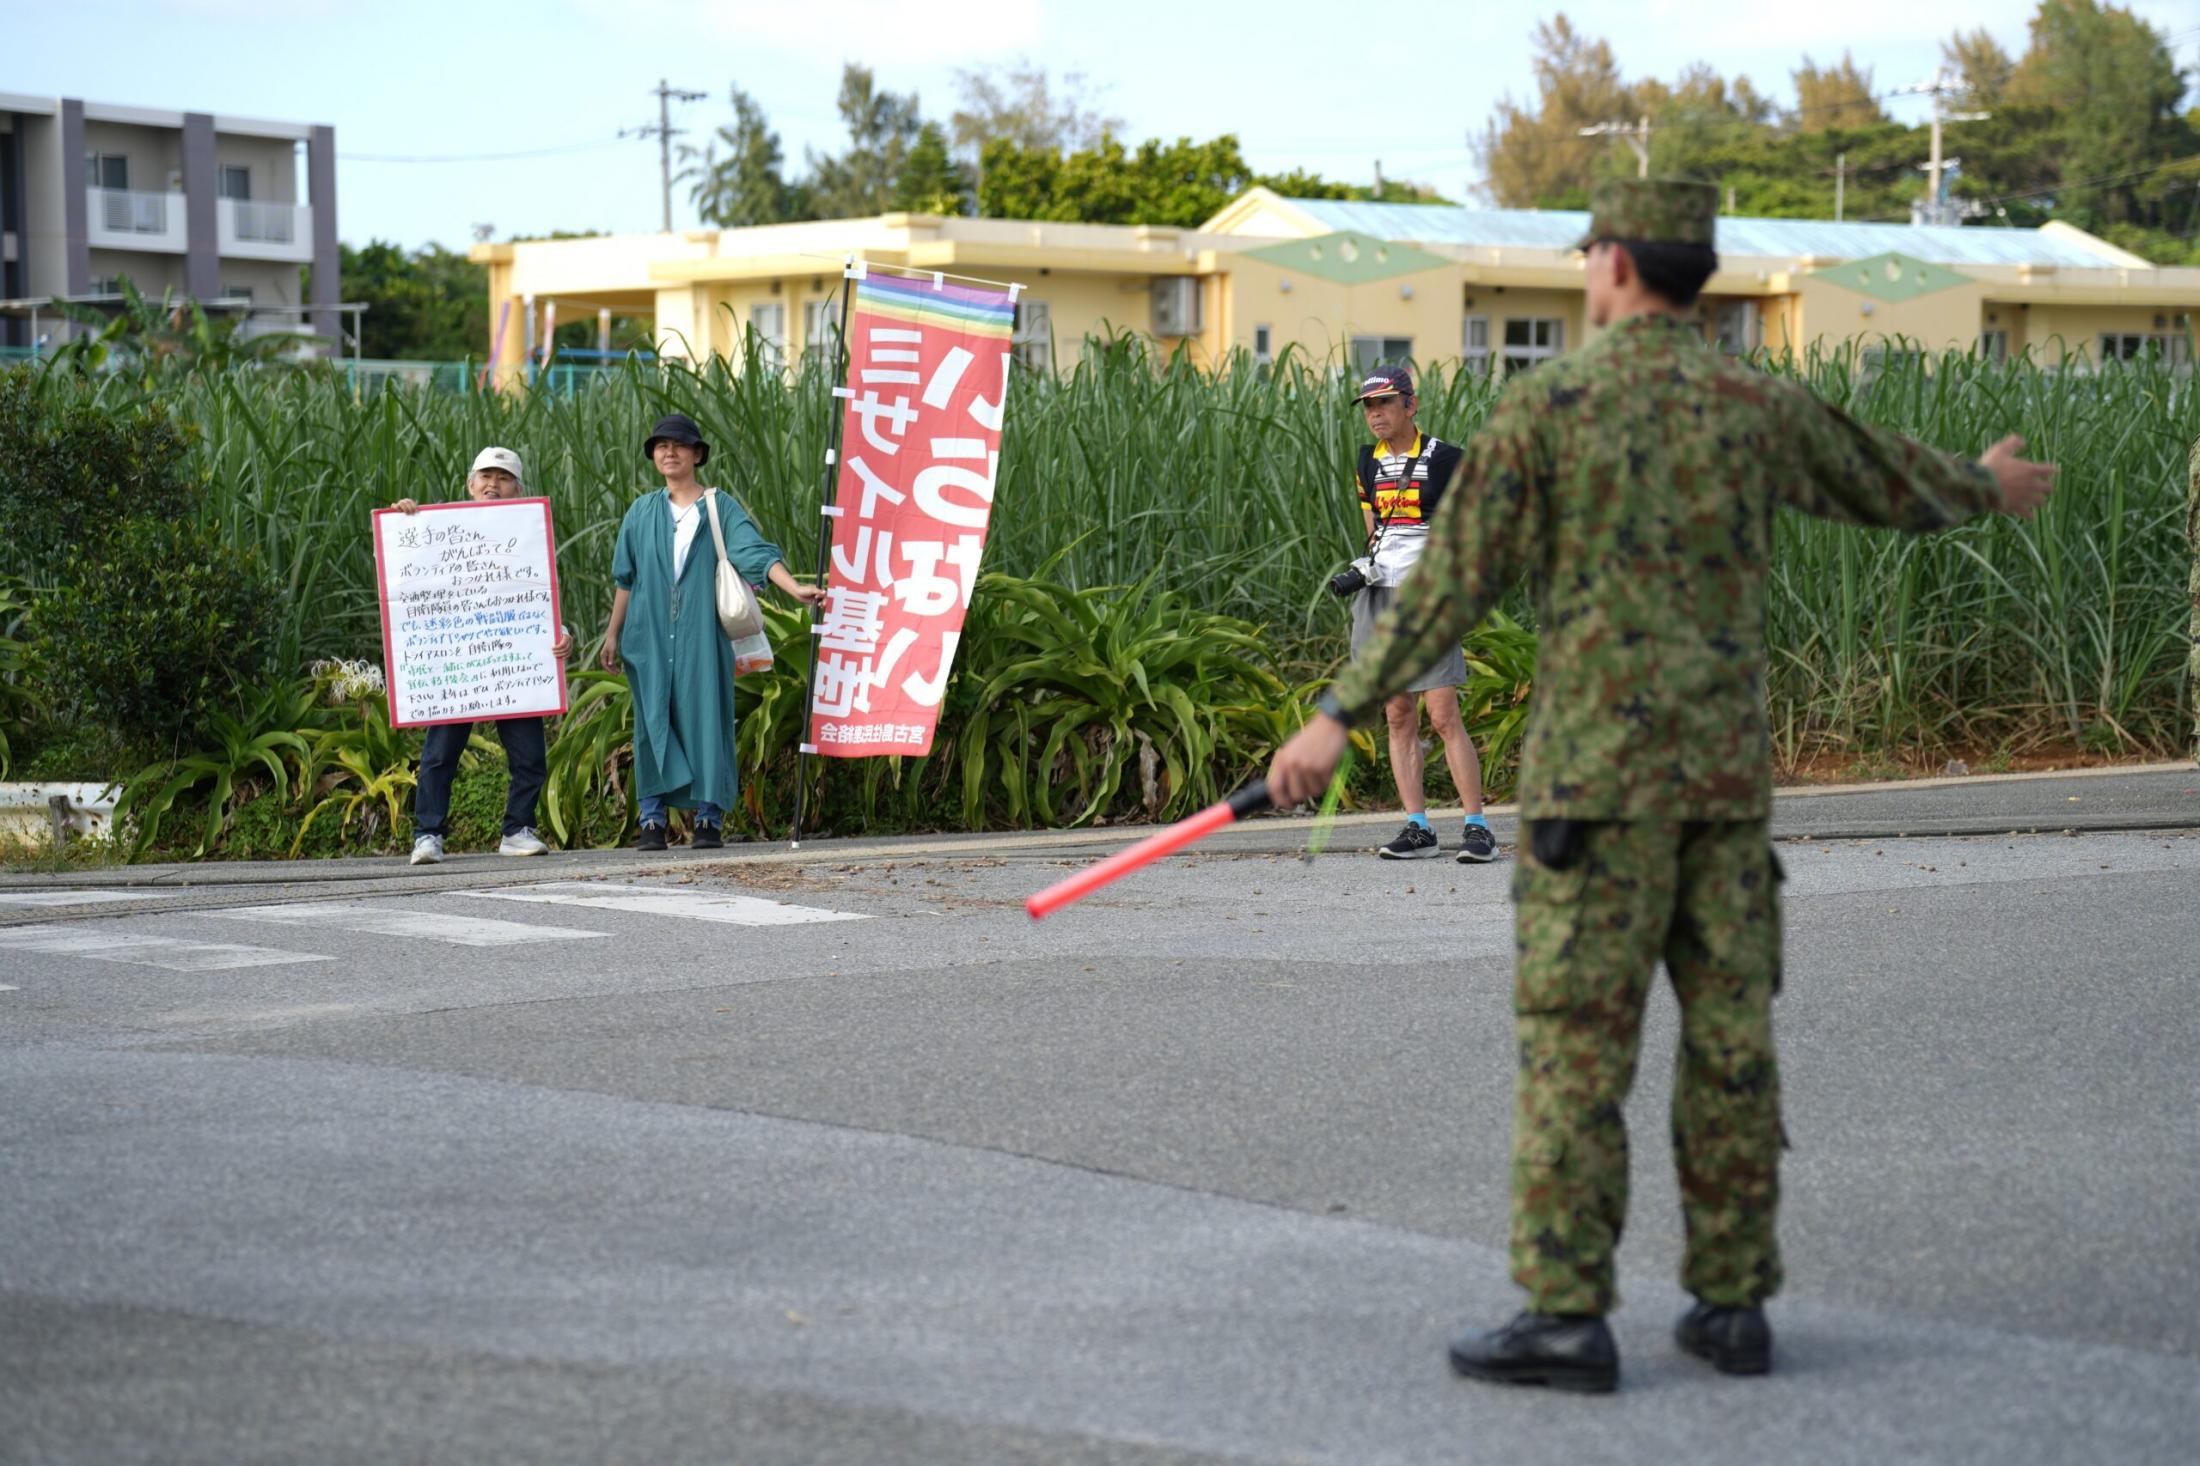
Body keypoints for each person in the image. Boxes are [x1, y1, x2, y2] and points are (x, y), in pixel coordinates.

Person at [1267, 178, 2057, 1393]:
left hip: (1595, 794)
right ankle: (1731, 1304)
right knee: (1731, 1048)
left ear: (1620, 265)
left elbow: (1450, 582)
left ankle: (1568, 1314)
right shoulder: (1755, 400)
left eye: (1591, 252)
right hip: (1725, 797)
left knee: (1578, 1051)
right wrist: (1983, 485)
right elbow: (1883, 477)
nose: (1587, 267)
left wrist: (1336, 712)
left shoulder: (1552, 407)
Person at [600, 413, 823, 851]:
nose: (669, 452)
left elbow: (754, 553)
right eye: (661, 445)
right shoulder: (641, 511)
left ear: (697, 454)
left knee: (707, 717)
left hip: (704, 634)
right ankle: (652, 819)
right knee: (652, 723)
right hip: (646, 634)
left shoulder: (719, 507)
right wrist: (612, 634)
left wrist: (794, 587)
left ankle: (707, 818)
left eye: (679, 445)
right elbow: (626, 578)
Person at [1345, 366, 1496, 863]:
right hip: (1380, 594)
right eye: (1369, 407)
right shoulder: (1366, 462)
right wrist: (1363, 566)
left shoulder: (1448, 459)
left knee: (1443, 713)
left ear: (1411, 405)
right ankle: (1418, 827)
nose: (1375, 415)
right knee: (1396, 712)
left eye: (1385, 404)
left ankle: (1476, 826)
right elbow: (1375, 530)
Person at [400, 446, 574, 865]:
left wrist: (562, 634)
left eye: (503, 477)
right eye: (485, 476)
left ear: (517, 487)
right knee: (440, 754)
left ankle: (518, 829)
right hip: (456, 662)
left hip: (512, 663)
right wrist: (402, 521)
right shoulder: (433, 528)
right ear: (469, 484)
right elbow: (401, 582)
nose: (493, 484)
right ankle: (428, 834)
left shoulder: (530, 532)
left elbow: (542, 597)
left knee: (530, 754)